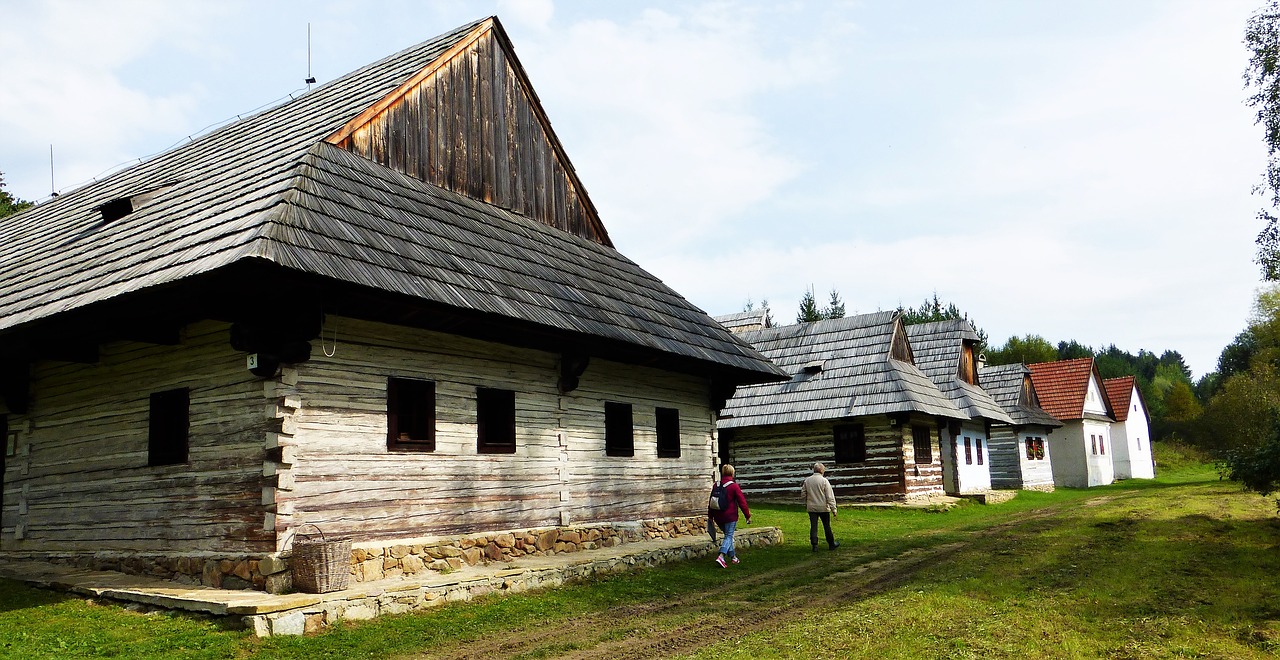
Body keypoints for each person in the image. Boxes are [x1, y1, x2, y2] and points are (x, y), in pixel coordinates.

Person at [709, 464, 750, 567]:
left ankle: (733, 558)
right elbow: (742, 502)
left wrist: (710, 516)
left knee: (728, 536)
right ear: (732, 473)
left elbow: (711, 501)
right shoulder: (734, 486)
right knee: (729, 536)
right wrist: (747, 515)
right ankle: (721, 556)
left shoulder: (716, 485)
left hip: (718, 517)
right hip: (730, 516)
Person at [802, 462, 839, 552]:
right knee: (827, 526)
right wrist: (833, 509)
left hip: (812, 507)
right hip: (823, 507)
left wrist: (807, 501)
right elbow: (830, 496)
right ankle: (831, 544)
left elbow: (803, 494)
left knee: (813, 526)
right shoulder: (824, 481)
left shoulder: (807, 480)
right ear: (822, 470)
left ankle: (814, 545)